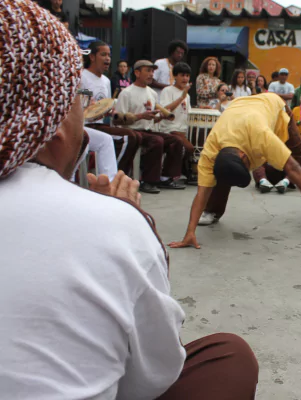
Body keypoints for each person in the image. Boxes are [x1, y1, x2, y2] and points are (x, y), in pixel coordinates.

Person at [0, 3, 259, 399]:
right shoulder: (113, 224)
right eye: (76, 95)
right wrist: (137, 226)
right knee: (230, 355)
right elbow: (152, 377)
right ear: (47, 118)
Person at [168, 93, 301, 247]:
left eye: (248, 165)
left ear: (243, 155)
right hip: (241, 109)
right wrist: (189, 232)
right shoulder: (211, 152)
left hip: (274, 107)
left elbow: (293, 168)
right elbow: (202, 192)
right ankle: (214, 211)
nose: (252, 167)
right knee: (223, 171)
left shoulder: (260, 135)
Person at [115, 60, 186, 193]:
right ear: (137, 73)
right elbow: (119, 121)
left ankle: (166, 177)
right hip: (133, 131)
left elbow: (152, 121)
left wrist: (160, 117)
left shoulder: (152, 93)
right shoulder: (126, 93)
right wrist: (141, 116)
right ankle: (147, 180)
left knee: (176, 140)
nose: (151, 74)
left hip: (148, 130)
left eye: (152, 71)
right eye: (147, 70)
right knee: (157, 141)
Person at [81, 41, 140, 178]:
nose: (107, 58)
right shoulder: (82, 76)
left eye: (109, 55)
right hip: (86, 124)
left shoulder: (106, 81)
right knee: (127, 137)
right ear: (92, 57)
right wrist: (89, 106)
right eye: (103, 54)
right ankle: (112, 177)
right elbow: (80, 103)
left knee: (135, 136)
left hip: (100, 124)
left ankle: (118, 174)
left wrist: (112, 111)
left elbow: (105, 106)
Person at [159, 62, 195, 184]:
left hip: (183, 130)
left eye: (187, 76)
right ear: (175, 76)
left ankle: (184, 171)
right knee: (188, 147)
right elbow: (165, 110)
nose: (185, 78)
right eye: (182, 75)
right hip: (169, 128)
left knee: (192, 147)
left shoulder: (187, 95)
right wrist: (181, 98)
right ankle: (168, 174)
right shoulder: (167, 91)